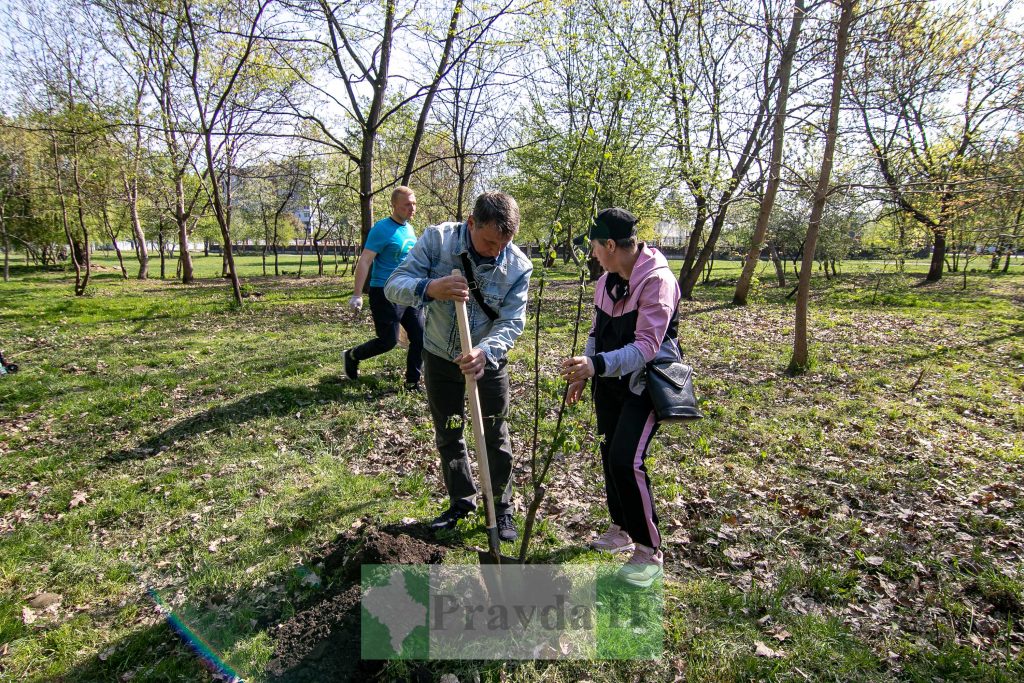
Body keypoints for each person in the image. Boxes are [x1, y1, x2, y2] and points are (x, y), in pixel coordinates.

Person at [385, 192, 532, 541]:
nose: (497, 250)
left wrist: (486, 352)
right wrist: (430, 287)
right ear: (471, 224)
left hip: (487, 362)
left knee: (495, 434)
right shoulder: (437, 241)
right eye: (489, 241)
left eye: (504, 243)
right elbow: (394, 286)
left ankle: (501, 508)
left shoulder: (518, 266)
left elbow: (512, 321)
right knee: (449, 432)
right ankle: (461, 503)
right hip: (438, 355)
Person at [561, 207, 681, 588]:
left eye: (595, 247)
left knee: (626, 458)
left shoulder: (657, 282)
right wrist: (584, 372)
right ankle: (621, 527)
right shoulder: (606, 280)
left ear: (611, 244)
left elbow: (647, 346)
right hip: (608, 383)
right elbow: (597, 333)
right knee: (609, 453)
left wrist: (595, 364)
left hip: (644, 385)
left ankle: (649, 549)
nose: (592, 253)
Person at [344, 186, 424, 390]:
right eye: (407, 204)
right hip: (385, 292)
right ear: (394, 205)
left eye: (414, 204)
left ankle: (412, 382)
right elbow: (365, 261)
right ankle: (352, 355)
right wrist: (357, 295)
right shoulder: (381, 228)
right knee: (388, 341)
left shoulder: (409, 228)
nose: (412, 208)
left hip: (408, 291)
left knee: (420, 336)